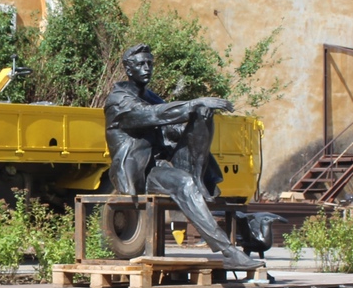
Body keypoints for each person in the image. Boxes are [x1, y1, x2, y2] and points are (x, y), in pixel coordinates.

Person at [103, 44, 261, 269]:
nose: (146, 68)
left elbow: (170, 128)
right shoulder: (119, 100)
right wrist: (193, 104)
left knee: (202, 115)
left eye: (149, 63)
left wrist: (199, 115)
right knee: (182, 182)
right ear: (128, 69)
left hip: (163, 164)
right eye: (140, 64)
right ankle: (228, 251)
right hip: (142, 171)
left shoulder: (151, 96)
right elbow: (152, 115)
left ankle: (197, 179)